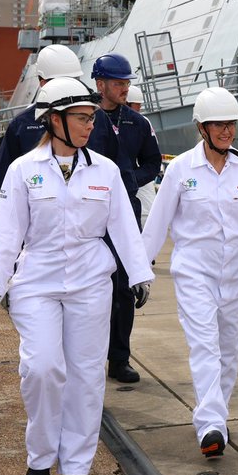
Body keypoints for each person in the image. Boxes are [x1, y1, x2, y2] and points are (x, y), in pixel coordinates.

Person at [0, 77, 154, 475]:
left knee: (86, 374)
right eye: (80, 117)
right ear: (53, 120)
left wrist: (139, 274)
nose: (88, 125)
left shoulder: (105, 170)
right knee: (42, 368)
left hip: (91, 282)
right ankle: (40, 455)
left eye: (91, 117)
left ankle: (76, 462)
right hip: (36, 281)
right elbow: (6, 231)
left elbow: (124, 228)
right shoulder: (24, 171)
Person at [142, 86, 238, 459]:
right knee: (204, 344)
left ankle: (216, 417)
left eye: (231, 124)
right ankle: (209, 424)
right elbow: (157, 224)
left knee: (229, 348)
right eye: (219, 124)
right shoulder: (180, 170)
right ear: (202, 128)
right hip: (194, 268)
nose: (227, 131)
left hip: (237, 269)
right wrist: (140, 270)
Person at [86, 53, 162, 383]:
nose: (125, 88)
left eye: (127, 83)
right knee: (87, 288)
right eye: (119, 83)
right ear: (100, 84)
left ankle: (119, 359)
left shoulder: (137, 123)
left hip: (125, 215)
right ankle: (85, 361)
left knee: (123, 288)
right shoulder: (83, 118)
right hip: (88, 216)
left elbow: (152, 162)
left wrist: (129, 179)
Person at [0, 44, 85, 239]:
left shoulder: (98, 121)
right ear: (43, 83)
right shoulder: (23, 125)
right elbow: (0, 187)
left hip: (84, 235)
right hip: (39, 235)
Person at [125, 84, 157, 228]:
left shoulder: (142, 122)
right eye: (136, 106)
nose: (139, 110)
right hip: (128, 176)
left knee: (149, 215)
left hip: (140, 177)